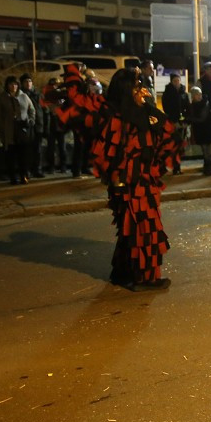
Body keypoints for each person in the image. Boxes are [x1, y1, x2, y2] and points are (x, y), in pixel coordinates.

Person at [80, 67, 180, 290]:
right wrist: (119, 184)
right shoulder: (116, 118)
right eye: (137, 87)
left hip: (144, 180)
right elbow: (111, 154)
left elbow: (163, 132)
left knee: (131, 231)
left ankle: (123, 272)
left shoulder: (143, 112)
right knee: (144, 230)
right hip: (129, 185)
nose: (142, 91)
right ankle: (144, 278)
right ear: (126, 90)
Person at [0, 75, 36, 185]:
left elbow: (31, 110)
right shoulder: (2, 98)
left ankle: (24, 175)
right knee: (11, 155)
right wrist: (2, 128)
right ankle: (13, 177)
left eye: (15, 84)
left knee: (23, 154)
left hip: (22, 130)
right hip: (9, 131)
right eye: (11, 84)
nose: (13, 86)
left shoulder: (24, 96)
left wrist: (30, 121)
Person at [185, 85, 211, 175]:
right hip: (201, 129)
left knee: (206, 149)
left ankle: (208, 167)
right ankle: (208, 166)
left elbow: (201, 118)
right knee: (205, 149)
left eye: (200, 94)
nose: (199, 96)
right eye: (196, 94)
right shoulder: (195, 105)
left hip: (205, 128)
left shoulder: (204, 104)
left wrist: (191, 118)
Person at [20, 74, 47, 178]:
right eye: (26, 81)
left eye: (30, 81)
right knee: (27, 150)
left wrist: (45, 126)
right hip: (27, 126)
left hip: (38, 126)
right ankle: (27, 170)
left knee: (38, 149)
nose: (28, 83)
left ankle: (37, 169)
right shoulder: (21, 95)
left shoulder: (37, 95)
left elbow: (45, 110)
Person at [41, 78, 69, 173]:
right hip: (51, 124)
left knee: (62, 147)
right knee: (51, 148)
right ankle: (52, 166)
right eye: (53, 85)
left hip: (60, 124)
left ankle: (63, 166)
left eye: (56, 85)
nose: (54, 87)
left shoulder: (62, 97)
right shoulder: (48, 95)